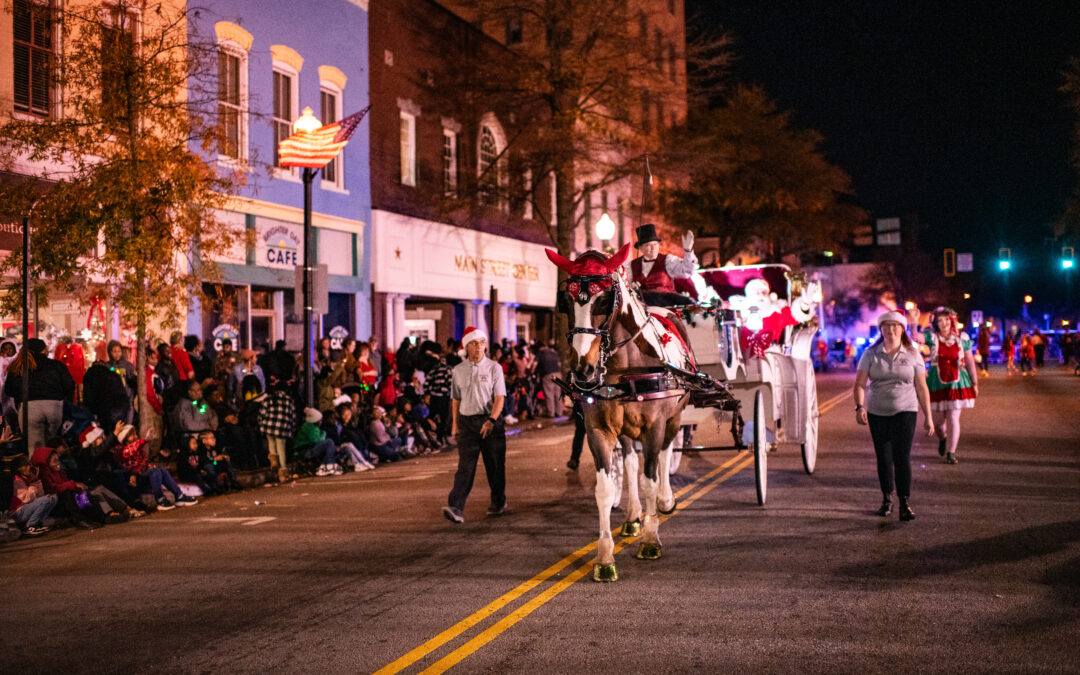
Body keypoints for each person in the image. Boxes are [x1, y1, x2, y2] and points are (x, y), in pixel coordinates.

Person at [854, 311, 934, 522]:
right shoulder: (870, 354)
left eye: (895, 326)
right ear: (881, 329)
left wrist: (928, 416)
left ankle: (905, 502)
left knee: (902, 457)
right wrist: (859, 406)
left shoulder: (912, 354)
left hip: (906, 410)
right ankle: (887, 499)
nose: (890, 330)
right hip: (877, 412)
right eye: (886, 326)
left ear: (902, 329)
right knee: (884, 457)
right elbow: (860, 384)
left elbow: (921, 386)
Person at [442, 326, 507, 524]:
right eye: (474, 343)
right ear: (466, 347)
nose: (479, 347)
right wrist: (454, 424)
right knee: (465, 467)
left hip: (489, 421)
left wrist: (492, 420)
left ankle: (498, 501)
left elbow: (499, 398)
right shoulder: (458, 371)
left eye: (482, 343)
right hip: (467, 423)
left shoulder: (494, 368)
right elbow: (455, 399)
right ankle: (456, 506)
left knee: (494, 466)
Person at [914, 306, 978, 465]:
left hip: (957, 382)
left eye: (946, 320)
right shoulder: (932, 337)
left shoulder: (962, 338)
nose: (943, 324)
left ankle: (951, 452)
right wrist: (914, 321)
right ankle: (943, 438)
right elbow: (916, 337)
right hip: (936, 382)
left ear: (952, 321)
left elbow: (969, 361)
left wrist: (974, 382)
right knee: (937, 423)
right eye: (939, 321)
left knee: (953, 417)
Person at [3, 339, 76, 451]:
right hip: (54, 406)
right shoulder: (55, 365)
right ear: (43, 350)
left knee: (35, 448)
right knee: (52, 444)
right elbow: (69, 385)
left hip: (29, 408)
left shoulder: (19, 366)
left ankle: (39, 467)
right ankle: (53, 466)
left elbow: (9, 389)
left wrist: (21, 396)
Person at [626, 223, 697, 306]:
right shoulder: (632, 265)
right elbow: (626, 284)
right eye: (648, 245)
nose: (653, 248)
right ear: (641, 248)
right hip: (643, 307)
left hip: (667, 305)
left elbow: (686, 271)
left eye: (655, 244)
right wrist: (632, 286)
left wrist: (688, 251)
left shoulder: (668, 260)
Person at [535, 341, 563, 418]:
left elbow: (534, 364)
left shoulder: (541, 353)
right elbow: (559, 364)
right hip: (558, 374)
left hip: (547, 374)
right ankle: (559, 412)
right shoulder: (554, 352)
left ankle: (551, 413)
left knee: (549, 394)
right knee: (557, 393)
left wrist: (532, 371)